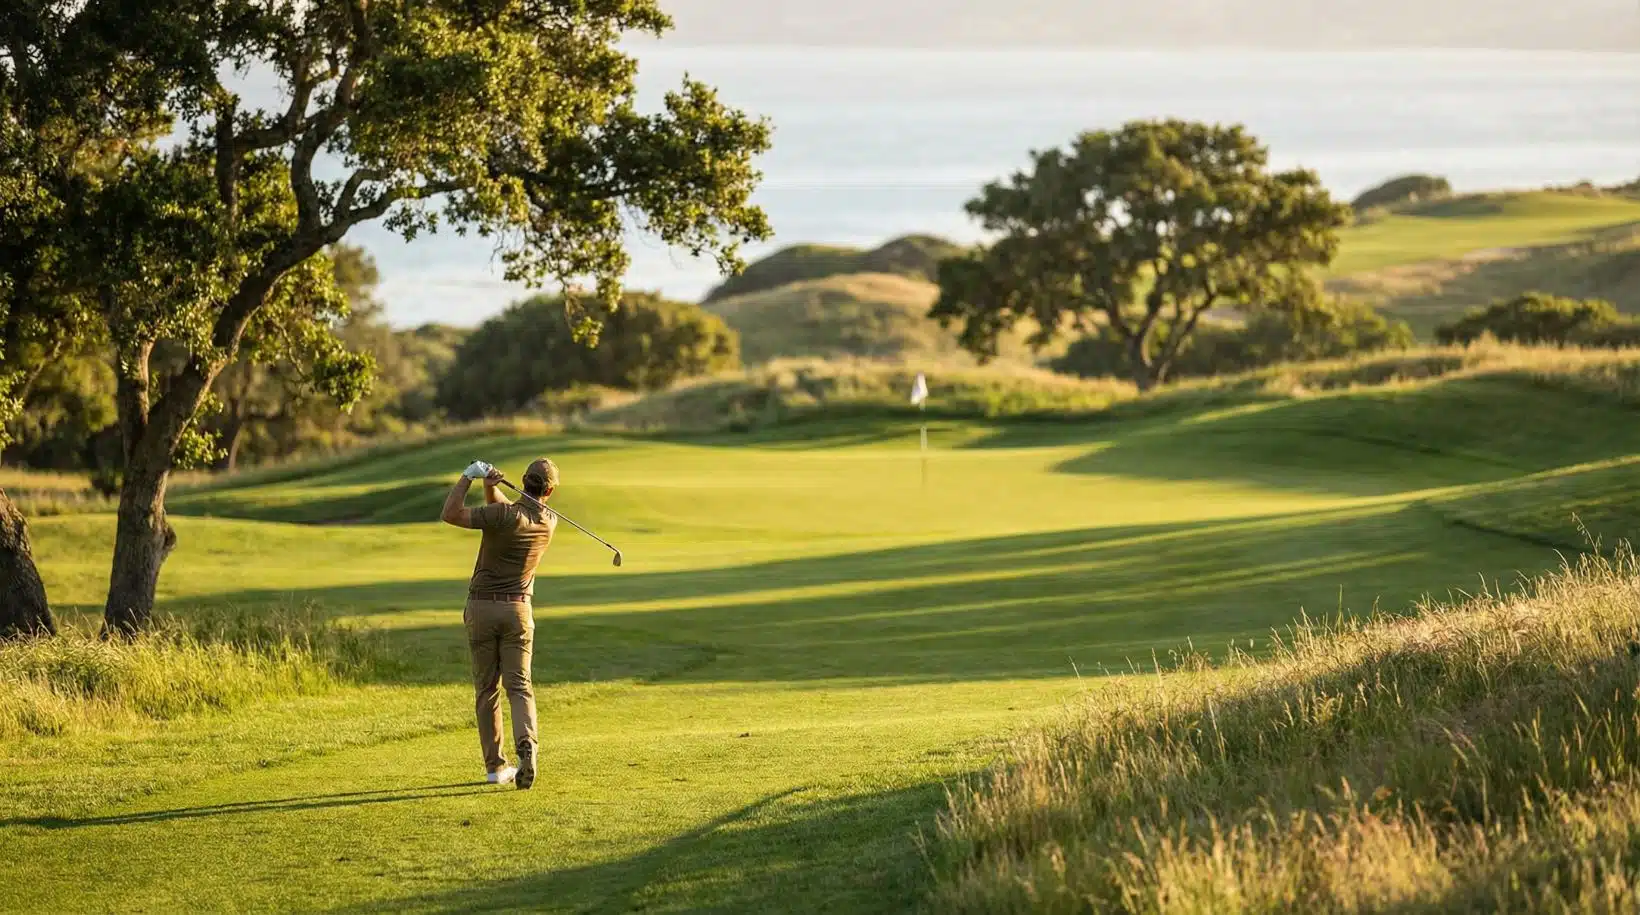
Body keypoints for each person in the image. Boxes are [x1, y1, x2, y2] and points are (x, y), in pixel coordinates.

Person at [440, 457, 560, 789]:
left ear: (523, 480)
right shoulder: (548, 522)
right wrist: (491, 488)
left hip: (482, 609)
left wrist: (468, 476)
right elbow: (511, 516)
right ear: (550, 490)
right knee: (520, 687)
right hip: (519, 613)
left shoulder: (504, 516)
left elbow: (450, 513)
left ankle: (495, 767)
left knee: (487, 689)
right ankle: (528, 747)